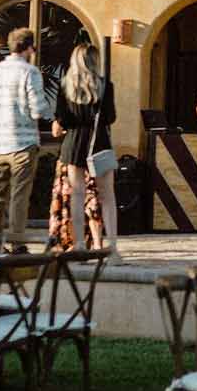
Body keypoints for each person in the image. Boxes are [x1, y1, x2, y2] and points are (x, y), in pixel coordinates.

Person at [0, 28, 52, 249]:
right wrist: (53, 117)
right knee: (20, 194)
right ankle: (17, 243)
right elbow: (38, 109)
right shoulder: (30, 72)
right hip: (23, 143)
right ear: (29, 48)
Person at [52, 41, 118, 250]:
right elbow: (110, 117)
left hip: (73, 144)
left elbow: (62, 119)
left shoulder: (65, 86)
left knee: (77, 195)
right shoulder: (106, 85)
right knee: (107, 196)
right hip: (99, 142)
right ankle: (113, 247)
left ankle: (79, 243)